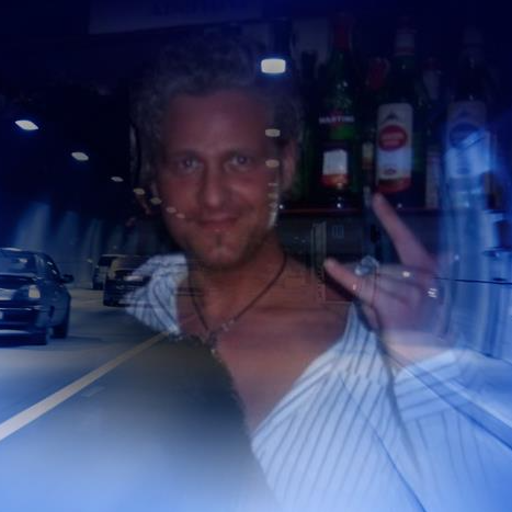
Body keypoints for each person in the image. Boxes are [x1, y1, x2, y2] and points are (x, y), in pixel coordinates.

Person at [128, 31, 512, 512]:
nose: (212, 196)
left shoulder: (378, 338)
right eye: (187, 163)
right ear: (156, 177)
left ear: (286, 165)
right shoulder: (139, 304)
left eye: (240, 161)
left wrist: (429, 363)